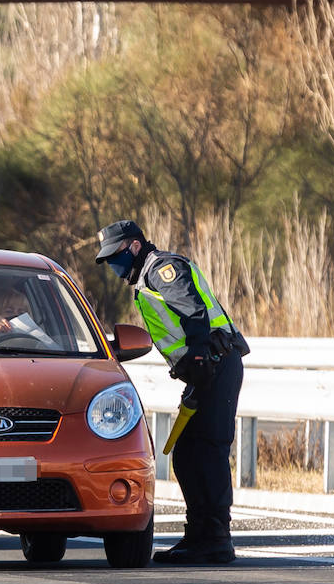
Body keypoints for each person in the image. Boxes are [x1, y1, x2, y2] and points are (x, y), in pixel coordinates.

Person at [94, 220, 249, 565]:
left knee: (205, 453)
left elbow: (192, 309)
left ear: (134, 246)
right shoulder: (146, 278)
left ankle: (215, 540)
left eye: (115, 256)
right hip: (206, 368)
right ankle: (200, 536)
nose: (114, 267)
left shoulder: (162, 269)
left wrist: (198, 355)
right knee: (189, 455)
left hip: (215, 363)